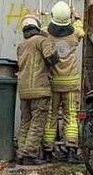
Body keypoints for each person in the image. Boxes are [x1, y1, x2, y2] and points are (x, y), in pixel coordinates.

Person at [44, 0, 85, 156]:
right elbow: (81, 31)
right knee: (70, 115)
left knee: (51, 115)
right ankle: (71, 148)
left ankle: (48, 148)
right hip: (70, 84)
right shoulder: (74, 34)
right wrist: (78, 18)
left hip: (53, 83)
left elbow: (42, 29)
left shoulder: (47, 35)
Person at [16, 15, 57, 165]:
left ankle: (21, 153)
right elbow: (52, 58)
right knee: (37, 122)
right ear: (37, 27)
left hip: (23, 90)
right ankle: (29, 154)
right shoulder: (41, 40)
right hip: (39, 89)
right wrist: (49, 39)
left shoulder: (21, 45)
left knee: (25, 121)